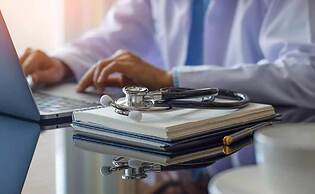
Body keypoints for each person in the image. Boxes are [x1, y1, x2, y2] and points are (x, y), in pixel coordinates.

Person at [20, 0, 315, 108]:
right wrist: (62, 63)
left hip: (261, 169)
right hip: (180, 162)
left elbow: (306, 75)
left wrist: (172, 79)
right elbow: (117, 34)